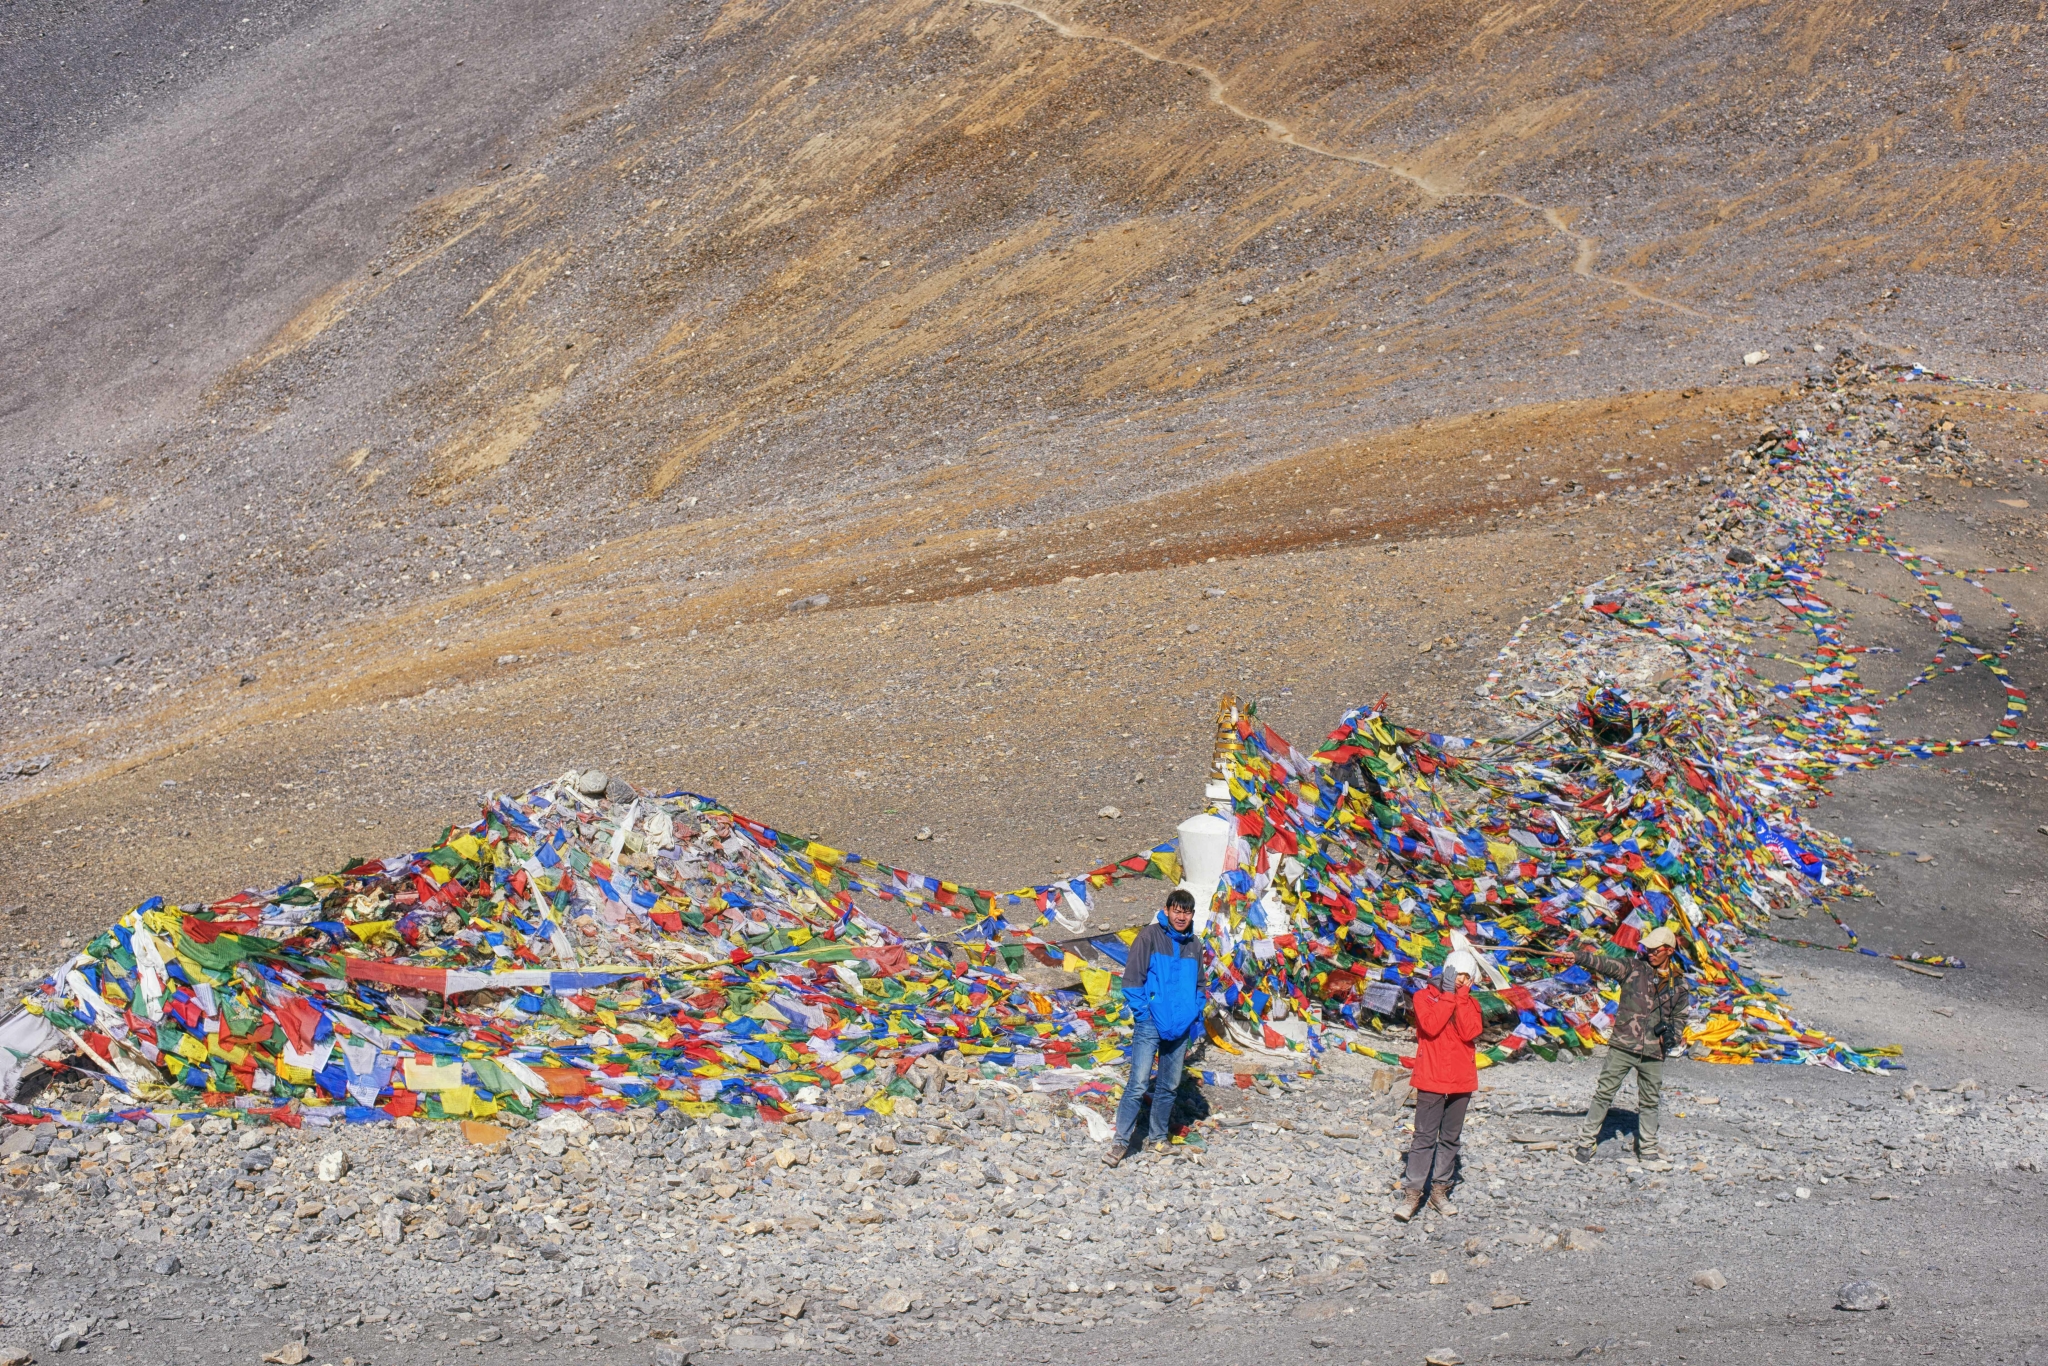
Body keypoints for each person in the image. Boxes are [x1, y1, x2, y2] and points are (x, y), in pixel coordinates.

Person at [1569, 925, 1688, 1168]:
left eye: (1655, 950)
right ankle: (1585, 1142)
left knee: (1650, 1101)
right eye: (1648, 948)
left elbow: (1679, 1018)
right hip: (1623, 1045)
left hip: (1654, 1052)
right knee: (1604, 1093)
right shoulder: (1633, 968)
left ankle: (1648, 1149)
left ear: (1668, 951)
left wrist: (1671, 1036)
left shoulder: (1680, 984)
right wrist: (1578, 957)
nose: (1650, 953)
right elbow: (1604, 963)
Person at [1105, 889, 1205, 1166]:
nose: (1181, 916)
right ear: (1167, 910)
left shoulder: (1195, 945)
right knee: (1137, 1083)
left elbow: (1200, 985)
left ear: (1192, 915)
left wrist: (1194, 1010)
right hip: (1150, 1022)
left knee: (1169, 1086)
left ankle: (1158, 1138)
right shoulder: (1149, 936)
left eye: (1186, 912)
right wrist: (1143, 1013)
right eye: (1177, 910)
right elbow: (1132, 980)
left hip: (1181, 1025)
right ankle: (1121, 1143)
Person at [1395, 948, 1484, 1221]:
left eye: (1466, 977)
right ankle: (1412, 1194)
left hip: (1461, 1079)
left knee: (1450, 1138)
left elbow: (1470, 1032)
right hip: (1432, 1076)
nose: (1460, 981)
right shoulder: (1424, 997)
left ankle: (1439, 1191)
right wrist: (1448, 996)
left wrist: (1461, 998)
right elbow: (1431, 1026)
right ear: (1446, 972)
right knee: (1423, 1137)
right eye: (1457, 975)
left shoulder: (1471, 1002)